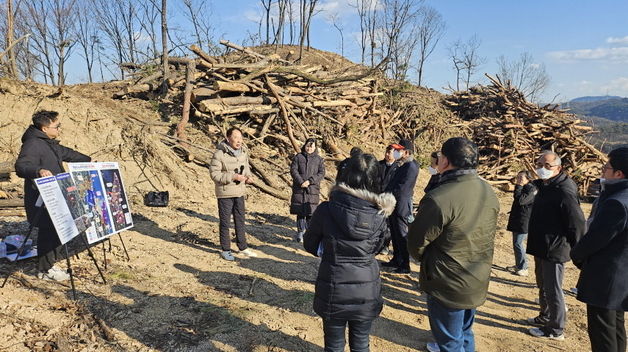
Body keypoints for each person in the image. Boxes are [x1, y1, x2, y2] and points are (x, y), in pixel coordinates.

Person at [407, 137, 499, 352]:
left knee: (449, 341)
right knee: (465, 332)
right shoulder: (488, 191)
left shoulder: (439, 198)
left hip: (447, 281)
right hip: (476, 277)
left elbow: (417, 242)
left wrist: (424, 259)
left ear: (445, 161)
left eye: (439, 156)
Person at [303, 152, 394, 352]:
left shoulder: (326, 209)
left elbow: (309, 244)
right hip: (366, 291)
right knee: (361, 344)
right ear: (375, 180)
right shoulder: (381, 214)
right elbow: (379, 248)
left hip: (334, 287)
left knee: (334, 346)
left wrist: (329, 251)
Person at [15, 110, 91, 281]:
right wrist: (38, 170)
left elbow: (68, 153)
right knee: (48, 232)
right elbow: (21, 166)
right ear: (44, 128)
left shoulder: (49, 143)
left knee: (59, 230)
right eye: (57, 126)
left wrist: (89, 160)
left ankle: (51, 265)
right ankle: (45, 270)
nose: (59, 129)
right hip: (42, 198)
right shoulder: (32, 144)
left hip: (58, 196)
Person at [571, 147, 628, 352]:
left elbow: (595, 240)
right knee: (615, 328)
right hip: (621, 279)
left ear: (618, 174)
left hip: (605, 280)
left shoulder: (616, 203)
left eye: (606, 167)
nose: (602, 171)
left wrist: (576, 255)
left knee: (602, 332)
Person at [525, 150, 585, 340]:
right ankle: (545, 316)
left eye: (547, 166)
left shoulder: (564, 190)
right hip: (541, 244)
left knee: (553, 289)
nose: (542, 169)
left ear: (558, 168)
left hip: (555, 247)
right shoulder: (546, 184)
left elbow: (576, 223)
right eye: (539, 164)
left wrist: (579, 250)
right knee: (543, 285)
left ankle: (555, 329)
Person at [209, 127, 257, 261]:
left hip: (239, 192)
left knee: (240, 220)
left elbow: (246, 169)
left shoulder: (243, 153)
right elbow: (214, 174)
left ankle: (243, 247)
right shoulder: (219, 154)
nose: (239, 141)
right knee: (225, 223)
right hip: (225, 193)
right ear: (228, 138)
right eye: (236, 137)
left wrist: (249, 177)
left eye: (241, 138)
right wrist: (233, 176)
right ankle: (225, 249)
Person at [381, 138, 419, 274]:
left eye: (399, 150)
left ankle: (405, 264)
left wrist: (388, 195)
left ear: (407, 152)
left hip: (401, 205)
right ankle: (397, 259)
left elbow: (402, 188)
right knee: (395, 234)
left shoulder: (411, 166)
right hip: (395, 204)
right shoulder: (402, 164)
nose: (396, 153)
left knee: (401, 235)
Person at [289, 138, 325, 242]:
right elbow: (293, 170)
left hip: (312, 189)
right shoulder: (298, 157)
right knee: (300, 211)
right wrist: (301, 181)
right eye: (308, 146)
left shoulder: (319, 160)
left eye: (311, 146)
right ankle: (300, 232)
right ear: (305, 146)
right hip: (299, 188)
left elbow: (321, 173)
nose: (309, 148)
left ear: (315, 147)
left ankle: (309, 233)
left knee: (311, 212)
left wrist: (310, 181)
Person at [505, 170, 537, 277]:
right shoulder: (524, 188)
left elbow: (520, 201)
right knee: (516, 243)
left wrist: (518, 187)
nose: (518, 180)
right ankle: (519, 265)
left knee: (518, 243)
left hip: (524, 221)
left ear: (528, 179)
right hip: (517, 219)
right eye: (517, 177)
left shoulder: (532, 189)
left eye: (521, 178)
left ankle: (524, 267)